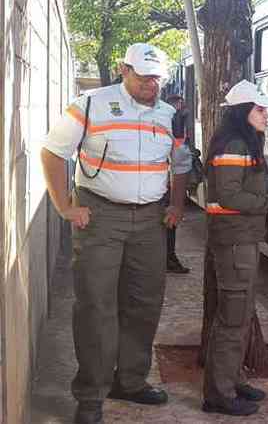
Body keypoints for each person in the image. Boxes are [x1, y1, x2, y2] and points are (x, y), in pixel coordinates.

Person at [40, 43, 192, 424]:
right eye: (143, 77)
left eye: (156, 78)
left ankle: (130, 380)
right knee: (96, 306)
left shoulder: (169, 113)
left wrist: (176, 204)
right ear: (124, 69)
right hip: (100, 216)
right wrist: (64, 206)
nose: (151, 84)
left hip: (150, 222)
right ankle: (90, 398)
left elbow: (182, 160)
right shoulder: (90, 104)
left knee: (144, 303)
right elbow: (52, 152)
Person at [202, 80, 268, 416]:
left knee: (237, 315)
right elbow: (229, 196)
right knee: (232, 318)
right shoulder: (234, 145)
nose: (267, 115)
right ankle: (219, 394)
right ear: (244, 111)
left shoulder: (243, 142)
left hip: (240, 239)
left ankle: (230, 380)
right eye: (260, 109)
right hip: (234, 243)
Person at [164, 93, 191, 274]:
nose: (180, 105)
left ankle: (169, 258)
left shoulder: (171, 116)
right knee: (168, 224)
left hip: (167, 179)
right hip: (166, 179)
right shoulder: (172, 117)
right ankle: (169, 259)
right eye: (178, 102)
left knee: (168, 224)